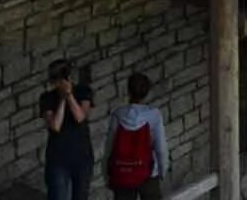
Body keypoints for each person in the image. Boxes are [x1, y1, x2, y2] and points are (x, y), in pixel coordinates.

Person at [101, 72, 169, 199]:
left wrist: (107, 175)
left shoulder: (118, 114)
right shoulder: (154, 115)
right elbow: (161, 149)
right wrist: (162, 170)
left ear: (128, 90)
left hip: (122, 173)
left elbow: (109, 148)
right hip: (148, 173)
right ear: (147, 92)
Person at [39, 59, 94, 200]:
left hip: (82, 158)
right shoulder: (47, 98)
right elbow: (55, 126)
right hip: (58, 160)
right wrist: (62, 100)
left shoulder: (83, 92)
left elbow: (80, 117)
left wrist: (69, 96)